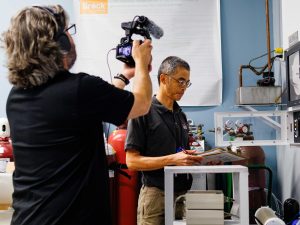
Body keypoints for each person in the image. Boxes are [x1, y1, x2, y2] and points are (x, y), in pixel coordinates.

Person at [2, 5, 152, 225]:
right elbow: (142, 104)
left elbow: (83, 106)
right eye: (68, 32)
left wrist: (123, 76)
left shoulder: (16, 97)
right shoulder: (80, 89)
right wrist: (141, 64)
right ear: (60, 43)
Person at [125, 56, 203, 225]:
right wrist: (172, 159)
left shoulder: (180, 115)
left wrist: (201, 160)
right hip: (155, 196)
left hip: (181, 196)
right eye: (180, 81)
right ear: (163, 79)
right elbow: (131, 161)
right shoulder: (142, 112)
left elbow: (180, 156)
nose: (184, 88)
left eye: (187, 83)